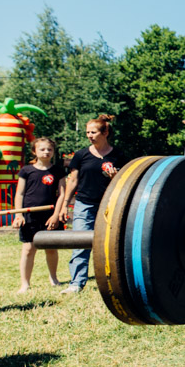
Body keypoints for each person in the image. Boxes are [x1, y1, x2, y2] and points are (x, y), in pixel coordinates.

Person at [52, 115, 128, 294]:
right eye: (87, 132)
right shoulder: (81, 155)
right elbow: (73, 181)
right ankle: (76, 283)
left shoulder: (118, 155)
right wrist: (64, 205)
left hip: (110, 205)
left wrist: (115, 176)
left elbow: (125, 182)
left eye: (93, 132)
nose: (89, 136)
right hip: (84, 204)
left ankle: (113, 281)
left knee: (111, 243)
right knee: (80, 241)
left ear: (105, 132)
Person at [12, 137, 65, 293]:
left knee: (51, 249)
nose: (46, 152)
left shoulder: (58, 171)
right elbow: (19, 194)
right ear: (34, 151)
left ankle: (54, 278)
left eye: (49, 149)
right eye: (42, 149)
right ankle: (25, 284)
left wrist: (56, 215)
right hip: (29, 215)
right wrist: (19, 215)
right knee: (28, 249)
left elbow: (62, 194)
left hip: (50, 216)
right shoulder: (26, 171)